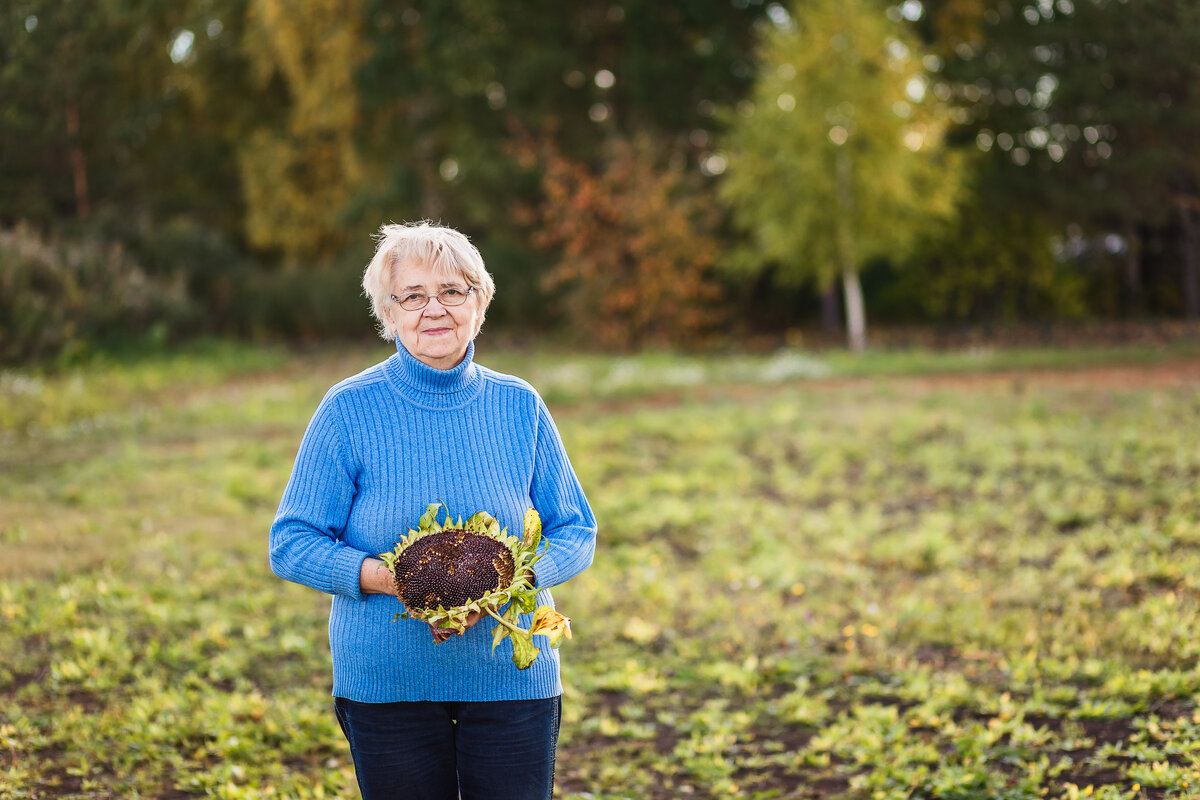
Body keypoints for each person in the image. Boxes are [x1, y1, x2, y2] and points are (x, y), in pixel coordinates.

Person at [269, 221, 597, 800]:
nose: (434, 309)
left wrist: (509, 581)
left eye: (452, 291)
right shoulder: (348, 409)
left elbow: (576, 529)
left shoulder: (519, 404)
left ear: (479, 304)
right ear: (388, 315)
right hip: (386, 682)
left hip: (510, 680)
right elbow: (292, 543)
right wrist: (393, 580)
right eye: (413, 296)